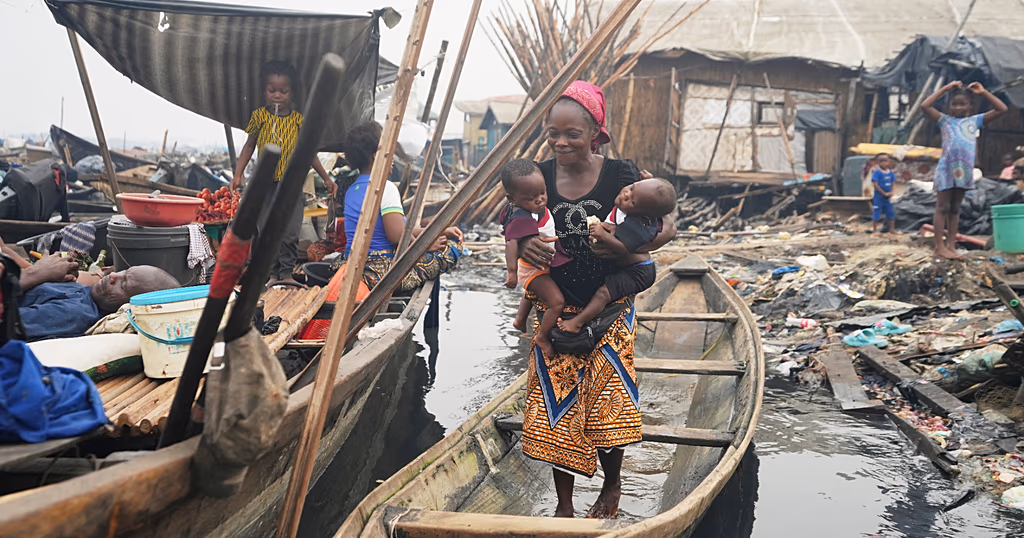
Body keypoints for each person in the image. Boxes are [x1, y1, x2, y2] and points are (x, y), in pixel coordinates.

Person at [515, 80, 675, 519]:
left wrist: (627, 250)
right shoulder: (539, 176)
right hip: (556, 309)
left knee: (609, 405)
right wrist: (526, 243)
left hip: (610, 310)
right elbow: (515, 219)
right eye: (553, 133)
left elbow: (666, 226)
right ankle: (565, 506)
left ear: (593, 133)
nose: (561, 142)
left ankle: (612, 484)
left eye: (572, 134)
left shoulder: (623, 175)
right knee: (556, 409)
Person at [230, 61, 338, 283]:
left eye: (283, 91)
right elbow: (249, 146)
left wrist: (327, 178)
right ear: (264, 92)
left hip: (291, 184)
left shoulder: (299, 121)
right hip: (263, 184)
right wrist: (238, 175)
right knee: (264, 230)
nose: (277, 95)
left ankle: (286, 274)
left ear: (291, 93)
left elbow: (309, 153)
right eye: (272, 91)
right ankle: (270, 274)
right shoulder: (259, 117)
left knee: (289, 231)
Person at [332, 121, 463, 291]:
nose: (392, 157)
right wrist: (425, 247)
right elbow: (397, 236)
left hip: (351, 266)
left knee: (442, 240)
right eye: (389, 152)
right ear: (375, 157)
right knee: (454, 247)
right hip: (379, 272)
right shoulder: (385, 188)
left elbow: (401, 229)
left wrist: (440, 232)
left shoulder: (352, 190)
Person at [555, 177, 676, 335]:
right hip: (634, 268)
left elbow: (624, 248)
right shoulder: (629, 211)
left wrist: (603, 235)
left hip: (638, 273)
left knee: (603, 294)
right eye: (631, 188)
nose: (626, 194)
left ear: (643, 215)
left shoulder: (637, 225)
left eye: (632, 201)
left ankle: (577, 322)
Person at [922, 81, 1007, 260]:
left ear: (970, 106)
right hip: (946, 169)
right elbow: (925, 105)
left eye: (963, 104)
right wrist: (945, 88)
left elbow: (1002, 109)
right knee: (942, 207)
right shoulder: (944, 121)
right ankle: (939, 247)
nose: (959, 107)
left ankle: (951, 246)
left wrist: (984, 91)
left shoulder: (975, 121)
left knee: (955, 209)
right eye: (955, 104)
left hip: (964, 171)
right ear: (949, 106)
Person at [500, 159, 571, 356]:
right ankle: (542, 336)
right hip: (533, 268)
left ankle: (520, 319)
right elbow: (511, 241)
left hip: (538, 266)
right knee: (556, 302)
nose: (540, 200)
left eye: (543, 193)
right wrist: (512, 272)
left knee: (532, 291)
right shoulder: (523, 216)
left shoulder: (531, 209)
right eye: (531, 198)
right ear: (512, 199)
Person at [18, 255, 179, 341]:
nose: (113, 275)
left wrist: (34, 274)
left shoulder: (75, 314)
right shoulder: (82, 291)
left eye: (123, 285)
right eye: (123, 272)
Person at [871, 153, 897, 234]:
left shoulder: (891, 172)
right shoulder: (877, 172)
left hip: (887, 198)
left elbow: (893, 183)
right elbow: (876, 185)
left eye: (886, 161)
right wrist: (883, 193)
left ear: (889, 161)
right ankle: (875, 230)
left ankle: (892, 230)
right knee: (877, 212)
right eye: (881, 161)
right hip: (878, 197)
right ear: (877, 162)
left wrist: (892, 192)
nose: (884, 163)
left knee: (890, 212)